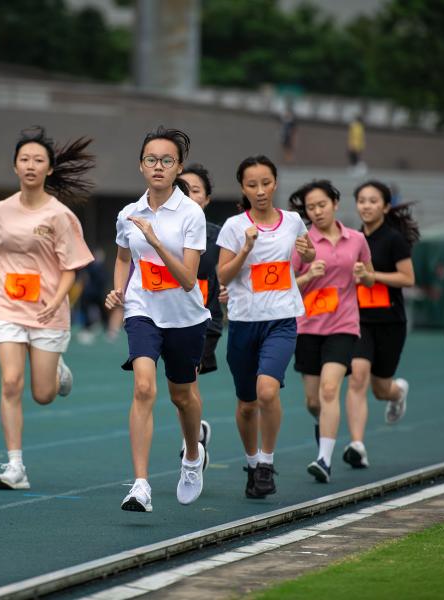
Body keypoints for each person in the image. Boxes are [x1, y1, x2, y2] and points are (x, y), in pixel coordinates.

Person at [0, 126, 95, 490]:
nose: (31, 165)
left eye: (38, 160)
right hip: (6, 307)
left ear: (49, 169)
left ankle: (57, 372)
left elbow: (71, 268)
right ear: (15, 167)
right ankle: (15, 467)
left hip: (47, 312)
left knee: (42, 394)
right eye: (25, 160)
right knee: (9, 382)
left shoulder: (60, 216)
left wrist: (56, 300)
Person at [105, 126, 211, 512]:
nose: (158, 166)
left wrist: (155, 243)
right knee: (144, 388)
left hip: (185, 317)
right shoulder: (128, 213)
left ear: (179, 167)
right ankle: (140, 485)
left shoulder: (191, 214)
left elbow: (187, 279)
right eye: (151, 160)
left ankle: (192, 455)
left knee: (183, 396)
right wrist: (119, 291)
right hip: (142, 310)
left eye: (167, 160)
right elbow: (121, 257)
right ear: (141, 166)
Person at [216, 155, 315, 499]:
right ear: (242, 187)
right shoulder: (233, 226)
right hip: (244, 323)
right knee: (246, 404)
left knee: (267, 392)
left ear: (275, 183)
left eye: (266, 183)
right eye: (252, 184)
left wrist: (310, 252)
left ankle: (267, 463)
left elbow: (309, 254)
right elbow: (223, 275)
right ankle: (251, 461)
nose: (260, 191)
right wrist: (245, 248)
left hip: (282, 320)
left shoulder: (292, 221)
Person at [288, 180, 374, 483]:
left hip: (344, 325)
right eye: (310, 208)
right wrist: (309, 274)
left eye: (321, 205)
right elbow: (287, 285)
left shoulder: (356, 240)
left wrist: (365, 277)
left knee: (329, 390)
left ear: (335, 203)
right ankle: (325, 424)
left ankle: (323, 460)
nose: (316, 211)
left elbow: (368, 278)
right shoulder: (303, 243)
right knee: (314, 401)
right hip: (308, 326)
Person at [344, 181, 419, 469]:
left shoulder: (394, 240)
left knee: (380, 389)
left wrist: (375, 277)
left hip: (390, 322)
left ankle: (397, 393)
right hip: (359, 320)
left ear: (385, 206)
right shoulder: (351, 239)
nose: (366, 205)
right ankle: (357, 445)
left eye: (373, 200)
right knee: (358, 377)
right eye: (361, 200)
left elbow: (408, 279)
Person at [176, 164, 224, 459]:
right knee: (181, 388)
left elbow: (232, 273)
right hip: (171, 316)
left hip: (206, 318)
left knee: (189, 378)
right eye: (182, 190)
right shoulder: (165, 232)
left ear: (206, 199)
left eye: (195, 191)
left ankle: (190, 447)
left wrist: (231, 287)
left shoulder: (219, 238)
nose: (188, 196)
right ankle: (197, 432)